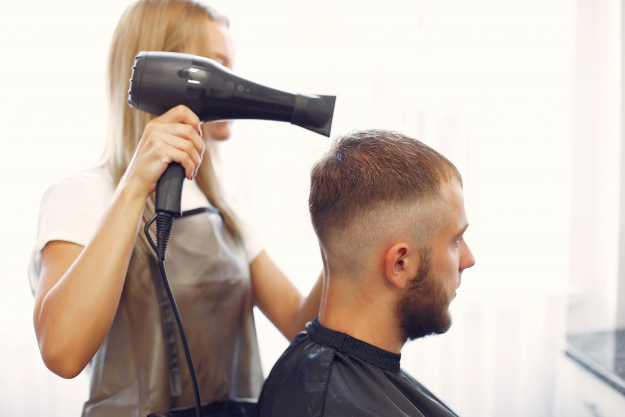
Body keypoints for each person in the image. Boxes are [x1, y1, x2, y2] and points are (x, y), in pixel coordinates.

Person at [27, 1, 322, 416]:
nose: (237, 82)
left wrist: (346, 233)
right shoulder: (83, 196)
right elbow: (62, 351)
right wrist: (134, 188)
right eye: (220, 65)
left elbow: (297, 322)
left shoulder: (225, 206)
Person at [256, 129, 476, 417]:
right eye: (455, 241)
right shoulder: (334, 406)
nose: (468, 259)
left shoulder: (309, 370)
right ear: (400, 264)